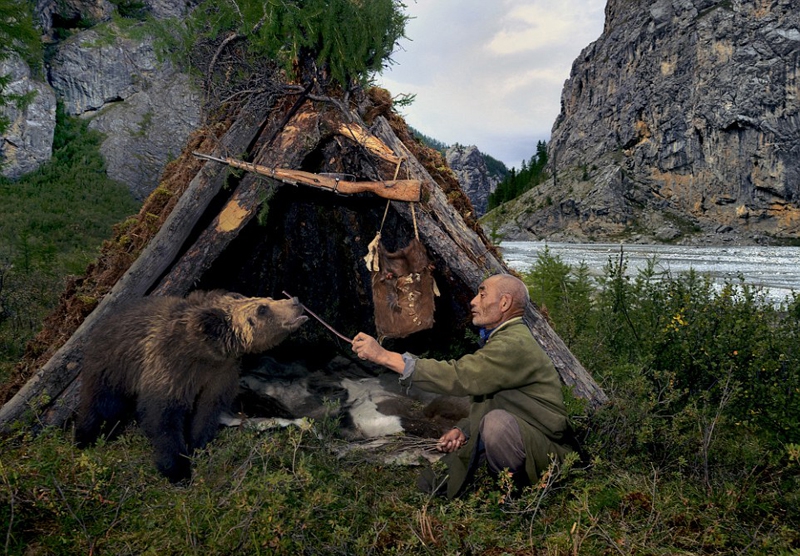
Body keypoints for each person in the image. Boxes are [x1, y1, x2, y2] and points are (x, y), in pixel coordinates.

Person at [352, 273, 575, 498]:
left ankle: (514, 499)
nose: (473, 301)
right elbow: (502, 401)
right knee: (431, 482)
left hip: (548, 451)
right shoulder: (505, 338)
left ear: (505, 302)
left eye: (482, 293)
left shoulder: (513, 344)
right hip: (527, 440)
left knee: (496, 425)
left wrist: (384, 357)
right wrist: (464, 430)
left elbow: (459, 376)